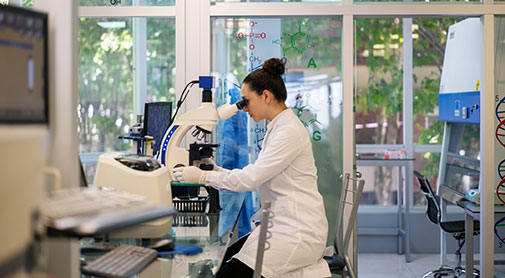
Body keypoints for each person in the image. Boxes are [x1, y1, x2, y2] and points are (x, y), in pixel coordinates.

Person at [172, 58, 330, 278]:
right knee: (226, 256)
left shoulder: (288, 132)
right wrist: (216, 171)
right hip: (281, 225)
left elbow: (251, 179)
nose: (244, 108)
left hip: (297, 232)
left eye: (246, 100)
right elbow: (255, 173)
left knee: (229, 273)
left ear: (265, 96)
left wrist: (202, 177)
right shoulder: (278, 127)